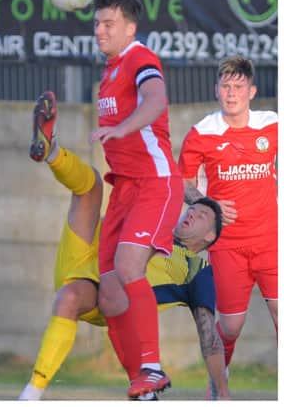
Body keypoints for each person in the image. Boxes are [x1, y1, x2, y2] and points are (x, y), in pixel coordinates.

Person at [21, 96, 229, 401]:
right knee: (91, 184)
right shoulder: (160, 218)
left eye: (203, 216)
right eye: (193, 209)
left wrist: (222, 392)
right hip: (85, 247)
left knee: (70, 297)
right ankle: (51, 151)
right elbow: (167, 176)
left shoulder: (196, 270)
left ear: (210, 237)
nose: (193, 213)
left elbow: (209, 334)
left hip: (104, 294)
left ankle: (30, 393)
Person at [66, 0, 182, 397]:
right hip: (124, 191)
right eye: (97, 22)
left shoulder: (140, 58)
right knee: (111, 290)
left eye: (108, 23)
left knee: (130, 265)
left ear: (129, 28)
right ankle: (141, 382)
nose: (99, 30)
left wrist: (123, 127)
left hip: (156, 184)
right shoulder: (110, 70)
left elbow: (156, 99)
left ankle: (152, 365)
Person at [178, 56, 277, 397]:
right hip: (227, 247)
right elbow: (183, 184)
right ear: (216, 90)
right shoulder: (202, 134)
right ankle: (219, 382)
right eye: (225, 86)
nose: (231, 93)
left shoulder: (272, 125)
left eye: (238, 87)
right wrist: (209, 204)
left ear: (252, 91)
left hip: (271, 241)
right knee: (231, 326)